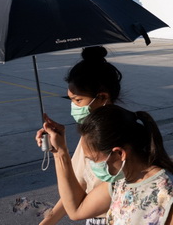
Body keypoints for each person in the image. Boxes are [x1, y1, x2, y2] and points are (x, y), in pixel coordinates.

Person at [41, 104, 173, 225]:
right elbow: (75, 210)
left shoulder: (169, 197)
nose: (93, 166)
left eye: (94, 160)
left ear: (119, 154)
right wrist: (60, 152)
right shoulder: (120, 183)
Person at [35, 46, 123, 225]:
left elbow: (76, 209)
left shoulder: (121, 137)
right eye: (71, 100)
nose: (74, 107)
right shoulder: (90, 134)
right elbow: (78, 188)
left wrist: (60, 153)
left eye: (78, 100)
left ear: (102, 97)